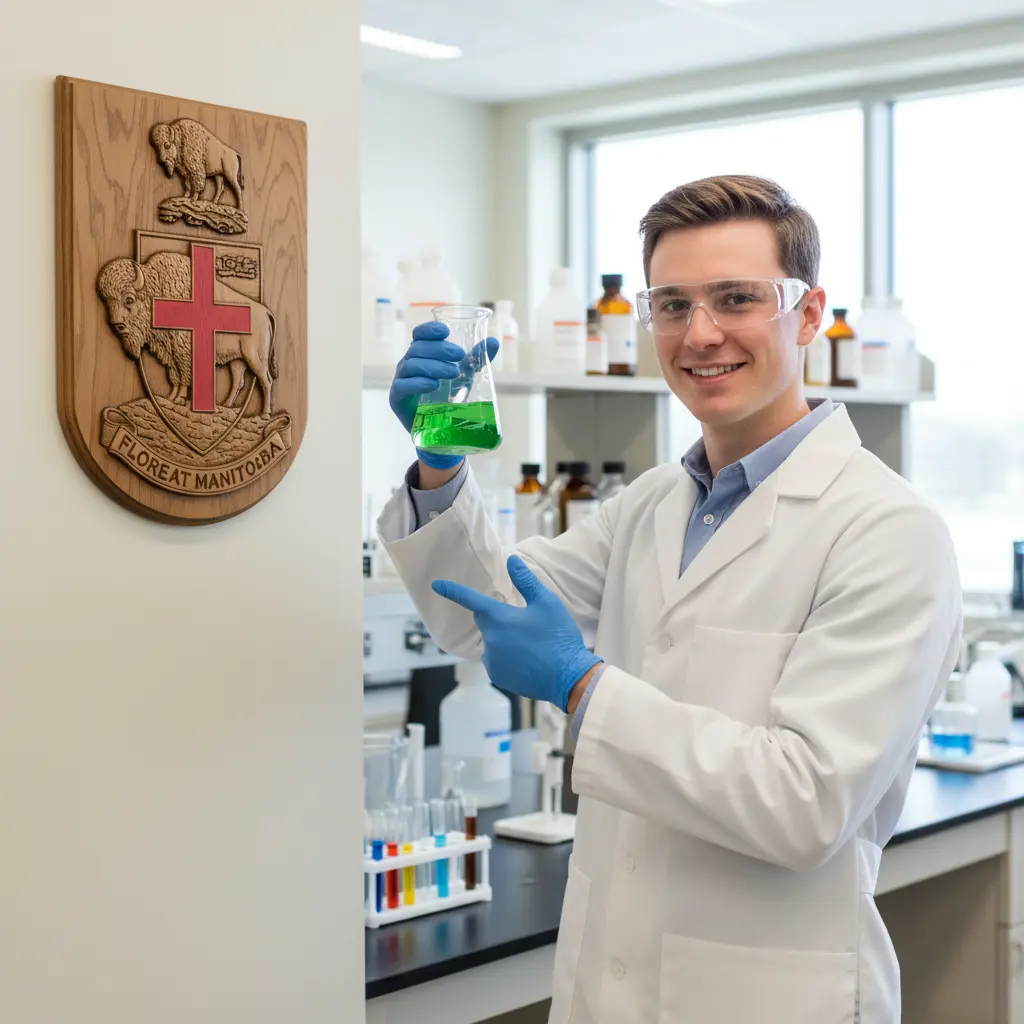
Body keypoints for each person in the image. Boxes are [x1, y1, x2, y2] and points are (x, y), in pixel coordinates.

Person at [377, 175, 962, 1024]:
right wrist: (440, 457)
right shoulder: (652, 504)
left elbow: (806, 803)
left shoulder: (888, 531)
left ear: (806, 315)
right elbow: (483, 612)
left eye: (736, 299)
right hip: (608, 979)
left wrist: (583, 688)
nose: (702, 333)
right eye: (673, 304)